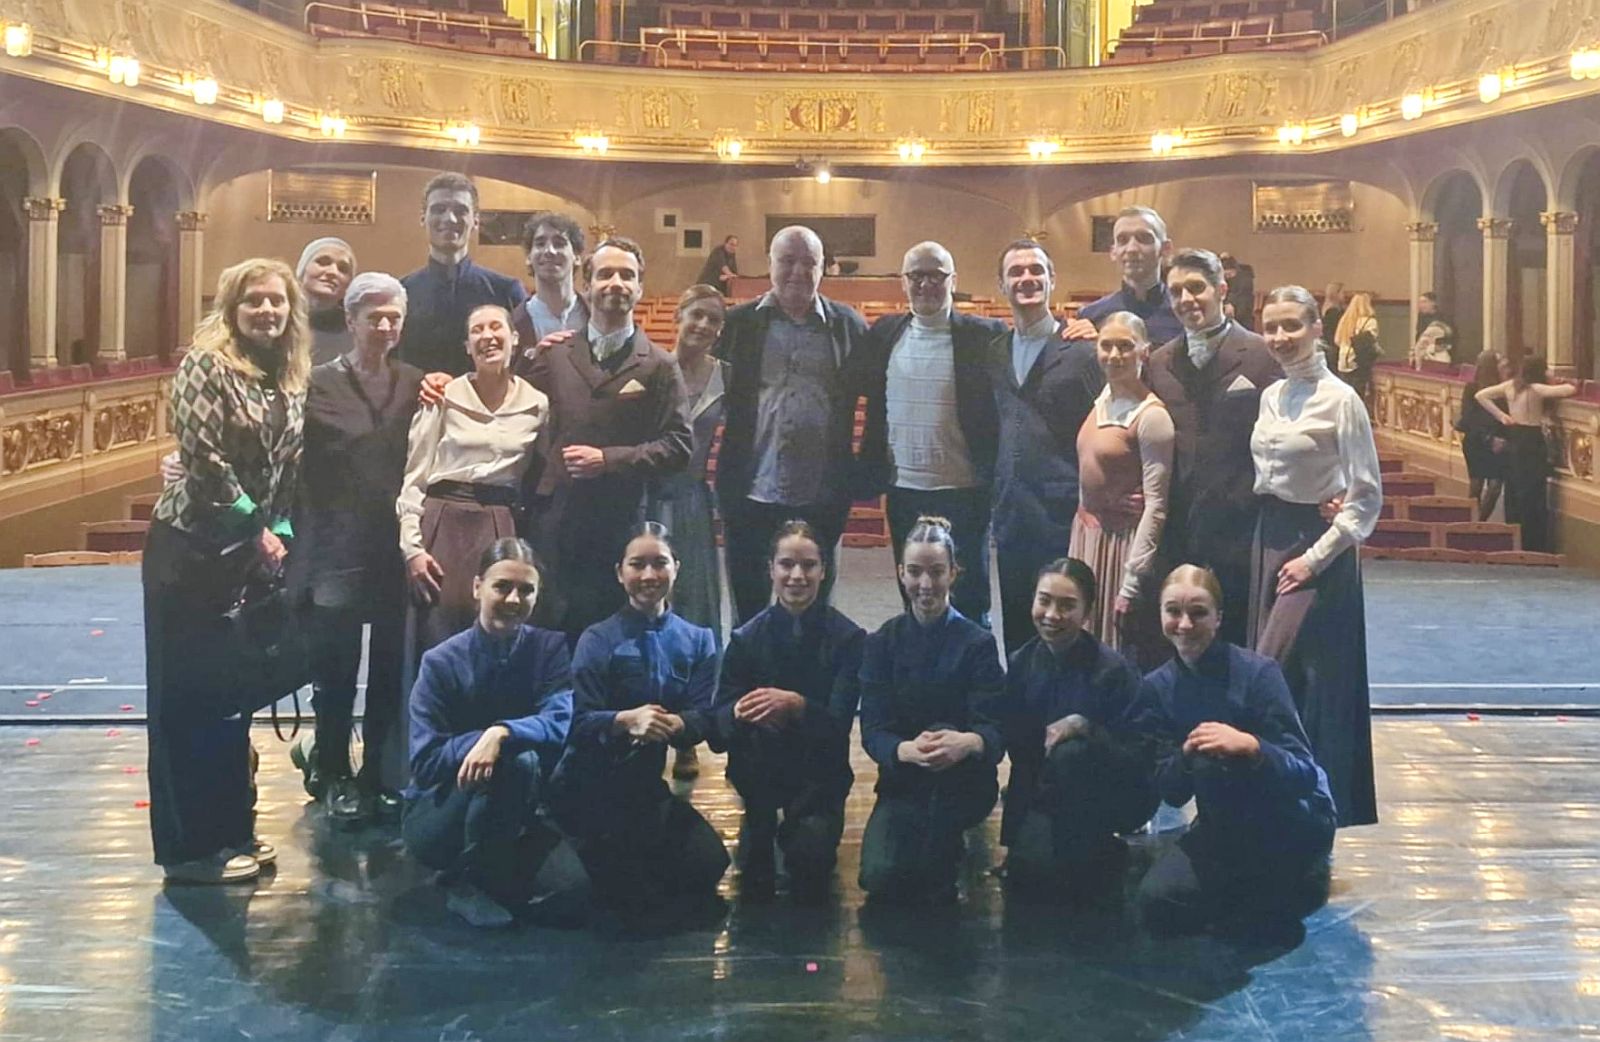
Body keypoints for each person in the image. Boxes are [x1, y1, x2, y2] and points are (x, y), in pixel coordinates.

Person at [143, 257, 309, 884]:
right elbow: (204, 460)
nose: (267, 310)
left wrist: (280, 531)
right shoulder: (205, 365)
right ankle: (190, 851)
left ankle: (231, 829)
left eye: (277, 300)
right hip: (188, 553)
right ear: (231, 309)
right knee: (185, 702)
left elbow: (286, 469)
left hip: (245, 555)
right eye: (254, 300)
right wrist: (255, 527)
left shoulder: (287, 377)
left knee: (227, 702)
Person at [1131, 565, 1336, 936]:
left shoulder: (1259, 673)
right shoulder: (1155, 687)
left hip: (1289, 816)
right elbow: (1172, 792)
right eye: (1173, 611)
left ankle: (1295, 869)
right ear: (1160, 614)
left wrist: (1253, 747)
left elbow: (1305, 773)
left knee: (1254, 920)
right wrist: (1186, 754)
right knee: (1156, 901)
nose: (1185, 624)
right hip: (1222, 826)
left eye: (1198, 612)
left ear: (1219, 618)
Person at [287, 272, 423, 826]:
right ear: (350, 321)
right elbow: (284, 457)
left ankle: (379, 773)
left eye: (394, 318)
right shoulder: (316, 385)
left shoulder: (417, 383)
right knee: (336, 671)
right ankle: (333, 772)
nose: (385, 327)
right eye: (375, 317)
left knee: (389, 669)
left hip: (394, 550)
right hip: (335, 547)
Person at [404, 538, 590, 928]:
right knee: (518, 762)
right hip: (443, 813)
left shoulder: (550, 649)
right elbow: (425, 761)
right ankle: (466, 880)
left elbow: (560, 721)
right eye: (502, 586)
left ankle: (497, 872)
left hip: (521, 808)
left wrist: (500, 733)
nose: (513, 599)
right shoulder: (440, 663)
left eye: (526, 590)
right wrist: (481, 745)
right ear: (477, 588)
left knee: (574, 888)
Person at [1249, 284, 1382, 828]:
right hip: (1270, 536)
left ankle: (1317, 806)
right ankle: (1271, 803)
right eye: (1271, 327)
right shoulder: (1270, 395)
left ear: (1316, 329)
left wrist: (1315, 556)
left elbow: (1366, 495)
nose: (1281, 337)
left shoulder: (1342, 400)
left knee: (1296, 676)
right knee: (1280, 680)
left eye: (1292, 325)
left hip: (1317, 550)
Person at [548, 523, 730, 912]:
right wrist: (624, 721)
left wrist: (679, 725)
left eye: (660, 563)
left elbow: (705, 716)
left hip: (645, 788)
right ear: (620, 572)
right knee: (617, 894)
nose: (649, 575)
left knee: (709, 863)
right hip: (589, 786)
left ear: (676, 567)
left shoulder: (699, 640)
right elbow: (576, 722)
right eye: (637, 564)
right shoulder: (597, 639)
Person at [521, 237, 692, 642]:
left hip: (620, 525)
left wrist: (609, 459)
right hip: (556, 528)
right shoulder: (554, 356)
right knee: (552, 640)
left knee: (615, 642)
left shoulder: (660, 365)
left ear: (640, 288)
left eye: (627, 275)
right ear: (587, 285)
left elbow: (679, 445)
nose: (616, 283)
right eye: (606, 274)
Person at [714, 225, 871, 626]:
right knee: (748, 611)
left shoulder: (848, 326)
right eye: (787, 261)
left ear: (823, 268)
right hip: (751, 491)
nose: (798, 271)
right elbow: (701, 390)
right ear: (769, 264)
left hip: (821, 494)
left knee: (815, 613)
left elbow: (878, 398)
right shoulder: (738, 324)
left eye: (809, 262)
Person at [710, 519, 866, 900]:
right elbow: (716, 733)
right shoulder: (745, 640)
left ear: (824, 571)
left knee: (810, 860)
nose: (797, 576)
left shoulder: (849, 639)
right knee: (754, 872)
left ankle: (805, 825)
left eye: (809, 565)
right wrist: (739, 712)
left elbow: (838, 727)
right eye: (786, 564)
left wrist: (797, 706)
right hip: (760, 776)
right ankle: (759, 821)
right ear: (771, 569)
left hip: (818, 777)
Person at [857, 516, 1005, 904]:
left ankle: (947, 842)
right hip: (905, 780)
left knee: (930, 880)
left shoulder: (979, 643)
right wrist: (904, 750)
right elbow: (873, 729)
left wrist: (967, 742)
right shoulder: (881, 643)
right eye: (915, 572)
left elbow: (994, 730)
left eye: (937, 572)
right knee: (879, 876)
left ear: (954, 573)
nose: (925, 584)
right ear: (900, 573)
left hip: (963, 781)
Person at [858, 241, 1004, 627]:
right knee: (915, 596)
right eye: (916, 275)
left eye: (935, 275)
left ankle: (974, 667)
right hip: (903, 491)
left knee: (970, 599)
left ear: (953, 280)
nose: (925, 284)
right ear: (903, 281)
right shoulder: (884, 333)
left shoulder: (985, 335)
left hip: (965, 491)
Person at [398, 304, 548, 670]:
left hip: (499, 524)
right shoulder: (441, 395)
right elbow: (415, 478)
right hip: (443, 525)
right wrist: (412, 548)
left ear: (515, 338)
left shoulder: (537, 404)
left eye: (496, 327)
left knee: (495, 636)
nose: (487, 336)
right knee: (437, 638)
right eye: (477, 330)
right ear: (467, 346)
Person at [1145, 247, 1280, 647]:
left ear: (1221, 290)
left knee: (1238, 641)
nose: (1186, 299)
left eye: (1196, 288)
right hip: (1178, 528)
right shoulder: (1158, 362)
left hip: (1242, 529)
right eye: (1176, 292)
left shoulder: (1263, 355)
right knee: (1177, 642)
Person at [999, 557, 1156, 900]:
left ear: (1087, 612)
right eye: (1044, 601)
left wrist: (1085, 728)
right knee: (1029, 873)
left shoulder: (1114, 671)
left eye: (1067, 605)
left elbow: (1138, 757)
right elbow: (1021, 756)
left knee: (1071, 752)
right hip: (1047, 792)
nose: (1052, 615)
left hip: (1110, 790)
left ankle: (1102, 846)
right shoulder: (1021, 663)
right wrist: (1012, 839)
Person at [989, 238, 1103, 655]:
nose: (1027, 278)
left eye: (1036, 270)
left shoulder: (1083, 352)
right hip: (1011, 514)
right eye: (1016, 272)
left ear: (1052, 279)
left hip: (1064, 514)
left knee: (1066, 625)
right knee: (1018, 631)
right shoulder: (995, 351)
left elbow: (1109, 426)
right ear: (1002, 285)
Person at [641, 284, 728, 781]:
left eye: (714, 320)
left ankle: (686, 737)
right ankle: (645, 728)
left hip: (693, 504)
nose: (704, 326)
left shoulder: (726, 377)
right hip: (650, 502)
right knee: (648, 613)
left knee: (693, 618)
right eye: (697, 315)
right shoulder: (653, 367)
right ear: (677, 315)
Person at [1069, 311, 1173, 667]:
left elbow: (1156, 505)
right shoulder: (1103, 399)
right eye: (1106, 345)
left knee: (1114, 650)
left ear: (1144, 351)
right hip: (1088, 536)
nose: (1114, 355)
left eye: (1125, 346)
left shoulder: (1152, 417)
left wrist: (1132, 580)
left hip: (1121, 545)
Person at [396, 173, 528, 377]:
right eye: (439, 209)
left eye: (460, 211)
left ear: (476, 221)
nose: (449, 219)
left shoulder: (506, 290)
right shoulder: (401, 293)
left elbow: (524, 361)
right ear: (423, 218)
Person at [1474, 354, 1577, 552]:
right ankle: (1533, 543)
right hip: (1532, 441)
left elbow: (1481, 395)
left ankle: (1514, 536)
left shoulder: (1511, 385)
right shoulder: (1536, 389)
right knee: (1533, 489)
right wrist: (1559, 380)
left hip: (1514, 438)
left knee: (1514, 487)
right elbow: (1569, 390)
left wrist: (1502, 416)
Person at [1065, 206, 1182, 346]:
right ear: (1113, 252)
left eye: (1143, 238)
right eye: (1122, 240)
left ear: (1165, 248)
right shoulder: (1091, 316)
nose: (1131, 249)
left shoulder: (1184, 311)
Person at [509, 210, 588, 352]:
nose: (549, 251)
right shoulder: (513, 323)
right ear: (529, 257)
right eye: (540, 244)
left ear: (577, 257)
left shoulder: (596, 314)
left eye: (559, 244)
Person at [1456, 350, 1510, 521]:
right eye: (1499, 362)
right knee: (1476, 485)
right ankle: (1472, 523)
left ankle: (1481, 522)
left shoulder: (1503, 388)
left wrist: (1502, 440)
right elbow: (1469, 417)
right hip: (1477, 441)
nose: (1503, 365)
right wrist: (1488, 438)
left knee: (1495, 486)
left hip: (1498, 442)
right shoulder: (1472, 388)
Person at [296, 237, 357, 366]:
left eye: (342, 269)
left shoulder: (355, 330)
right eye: (323, 263)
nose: (333, 272)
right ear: (303, 270)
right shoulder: (281, 318)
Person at [1332, 291, 1382, 402]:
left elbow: (1337, 340)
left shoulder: (1345, 320)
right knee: (1358, 395)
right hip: (1358, 361)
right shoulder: (1370, 321)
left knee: (1344, 395)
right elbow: (1370, 342)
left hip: (1343, 360)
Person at [1218, 252, 1256, 332]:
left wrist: (1230, 303)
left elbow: (1241, 294)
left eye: (1229, 274)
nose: (1227, 277)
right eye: (1225, 275)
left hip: (1242, 320)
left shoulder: (1245, 280)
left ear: (1235, 270)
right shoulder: (1224, 282)